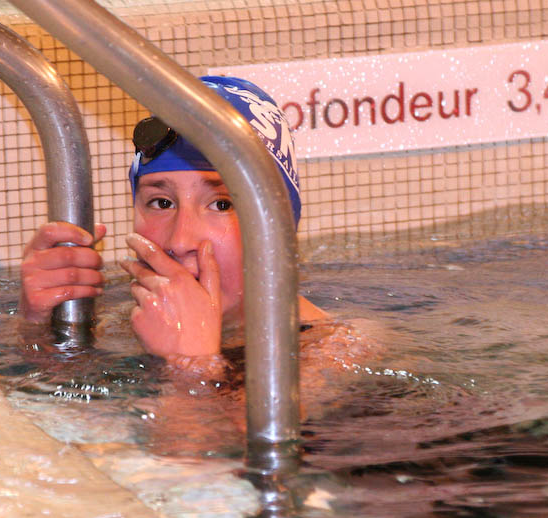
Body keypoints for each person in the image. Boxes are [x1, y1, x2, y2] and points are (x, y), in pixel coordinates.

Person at [19, 76, 327, 375]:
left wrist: (191, 365)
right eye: (162, 203)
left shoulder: (324, 357)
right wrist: (39, 326)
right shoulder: (120, 322)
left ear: (280, 226)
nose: (179, 242)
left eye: (222, 204)